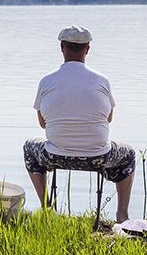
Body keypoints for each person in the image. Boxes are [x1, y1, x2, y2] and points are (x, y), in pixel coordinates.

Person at [23, 25, 137, 223]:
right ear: (87, 49)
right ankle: (122, 215)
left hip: (55, 156)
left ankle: (46, 209)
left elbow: (42, 123)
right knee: (129, 154)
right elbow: (108, 119)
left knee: (29, 147)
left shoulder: (47, 81)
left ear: (62, 48)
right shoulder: (102, 81)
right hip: (99, 157)